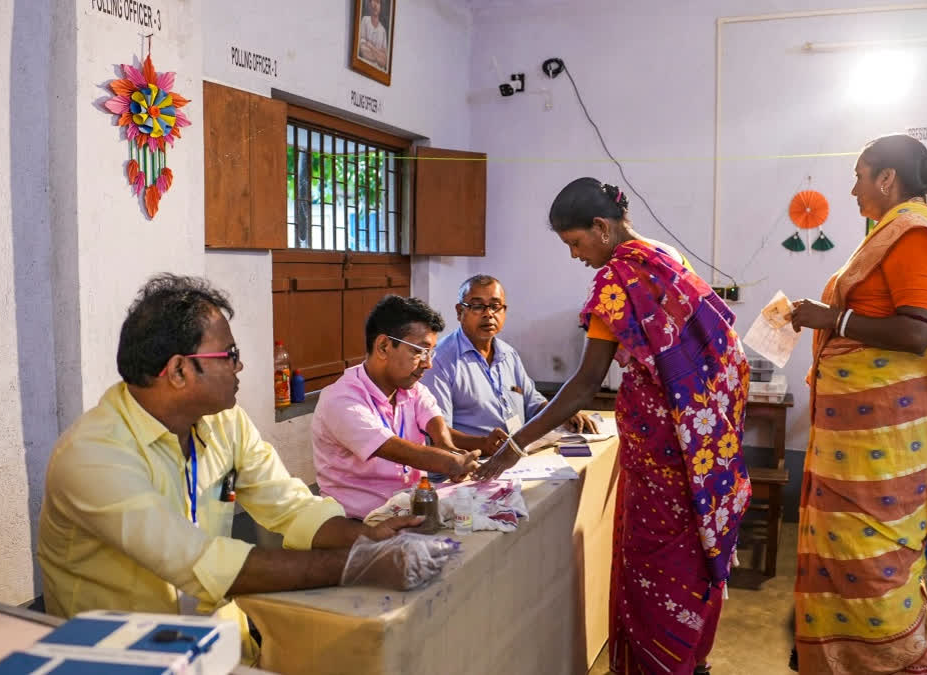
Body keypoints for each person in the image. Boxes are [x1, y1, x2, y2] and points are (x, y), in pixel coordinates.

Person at [36, 274, 422, 665]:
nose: (240, 366)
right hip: (125, 661)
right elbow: (200, 562)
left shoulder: (224, 423)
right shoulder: (93, 454)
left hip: (224, 648)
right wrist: (358, 565)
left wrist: (365, 537)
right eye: (230, 354)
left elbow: (289, 505)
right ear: (179, 370)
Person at [474, 178, 751, 675]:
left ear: (601, 228)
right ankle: (691, 658)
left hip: (661, 453)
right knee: (690, 553)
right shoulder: (668, 259)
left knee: (655, 567)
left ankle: (661, 664)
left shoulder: (616, 280)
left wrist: (517, 444)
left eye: (575, 243)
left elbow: (584, 385)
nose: (576, 256)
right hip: (702, 445)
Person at [786, 134, 927, 674]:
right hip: (861, 438)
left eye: (860, 176)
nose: (853, 188)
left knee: (874, 566)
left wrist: (830, 319)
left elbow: (915, 331)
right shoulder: (892, 231)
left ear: (887, 178)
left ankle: (901, 661)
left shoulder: (910, 233)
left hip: (883, 439)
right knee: (850, 557)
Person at [312, 294, 501, 520]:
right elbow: (393, 448)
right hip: (358, 524)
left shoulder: (411, 389)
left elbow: (436, 424)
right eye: (419, 351)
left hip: (410, 512)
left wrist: (450, 450)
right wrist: (450, 462)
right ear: (383, 346)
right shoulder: (341, 400)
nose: (428, 364)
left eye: (431, 353)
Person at [420, 274, 598, 441]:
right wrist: (483, 444)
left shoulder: (508, 354)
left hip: (515, 456)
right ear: (460, 312)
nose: (488, 314)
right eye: (477, 306)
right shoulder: (440, 361)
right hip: (470, 463)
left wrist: (563, 414)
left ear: (504, 311)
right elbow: (437, 433)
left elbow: (533, 403)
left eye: (495, 306)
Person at [358, 0, 389, 69]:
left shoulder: (383, 31)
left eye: (378, 2)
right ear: (369, 4)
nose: (375, 6)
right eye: (373, 2)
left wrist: (371, 47)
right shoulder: (365, 20)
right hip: (364, 67)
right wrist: (379, 56)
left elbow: (384, 62)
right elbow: (363, 52)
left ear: (381, 6)